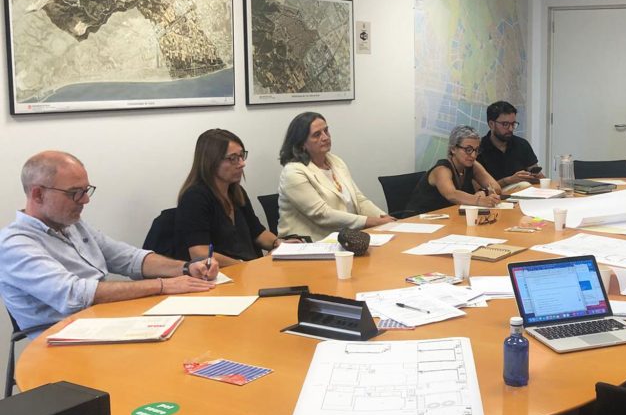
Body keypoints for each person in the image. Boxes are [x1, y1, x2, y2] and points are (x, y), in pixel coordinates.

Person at [0, 151, 217, 336]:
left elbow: (129, 258)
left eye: (86, 190)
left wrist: (186, 268)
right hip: (63, 338)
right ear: (38, 194)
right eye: (75, 193)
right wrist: (162, 285)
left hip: (104, 323)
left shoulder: (72, 225)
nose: (85, 200)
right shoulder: (14, 244)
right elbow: (74, 295)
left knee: (195, 331)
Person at [277, 112, 394, 241]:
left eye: (326, 131)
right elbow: (322, 214)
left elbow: (359, 200)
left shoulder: (335, 161)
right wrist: (371, 222)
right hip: (309, 243)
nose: (325, 137)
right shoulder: (293, 172)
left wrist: (384, 218)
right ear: (301, 144)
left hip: (346, 238)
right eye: (317, 135)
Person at [176, 129, 283, 267]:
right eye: (233, 158)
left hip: (246, 270)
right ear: (211, 161)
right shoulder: (195, 197)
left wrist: (278, 243)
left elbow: (257, 232)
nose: (242, 163)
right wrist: (245, 267)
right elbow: (200, 252)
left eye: (241, 156)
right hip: (220, 274)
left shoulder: (236, 191)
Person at [406, 125, 502, 215]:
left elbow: (496, 187)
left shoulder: (473, 165)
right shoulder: (442, 169)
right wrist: (479, 200)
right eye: (468, 150)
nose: (473, 155)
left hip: (447, 217)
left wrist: (484, 192)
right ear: (453, 149)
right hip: (420, 219)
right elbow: (451, 194)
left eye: (476, 150)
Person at [476, 101, 544, 191]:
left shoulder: (522, 144)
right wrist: (509, 181)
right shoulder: (478, 149)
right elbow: (478, 189)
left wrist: (535, 177)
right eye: (505, 124)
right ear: (491, 124)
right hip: (494, 197)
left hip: (524, 195)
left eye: (513, 124)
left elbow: (540, 177)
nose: (511, 129)